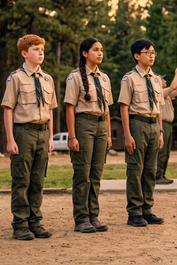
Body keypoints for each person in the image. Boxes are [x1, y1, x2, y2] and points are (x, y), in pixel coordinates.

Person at [2, 34, 57, 241]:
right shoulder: (16, 78)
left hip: (43, 132)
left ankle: (35, 221)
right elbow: (8, 110)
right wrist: (10, 139)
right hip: (23, 132)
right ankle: (20, 224)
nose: (40, 52)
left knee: (38, 180)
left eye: (42, 49)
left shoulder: (47, 79)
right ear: (24, 53)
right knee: (21, 180)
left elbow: (50, 110)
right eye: (35, 49)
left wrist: (51, 137)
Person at [64, 37, 113, 233]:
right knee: (82, 174)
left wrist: (108, 134)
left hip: (101, 126)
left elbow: (107, 109)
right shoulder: (74, 77)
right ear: (85, 53)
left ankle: (94, 216)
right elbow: (69, 108)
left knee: (96, 174)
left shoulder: (104, 78)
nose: (100, 53)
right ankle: (81, 218)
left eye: (101, 49)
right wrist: (72, 136)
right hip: (84, 124)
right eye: (95, 50)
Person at [118, 39, 165, 227]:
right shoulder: (129, 78)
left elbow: (159, 107)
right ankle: (134, 212)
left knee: (151, 170)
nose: (151, 55)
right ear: (137, 56)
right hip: (138, 124)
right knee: (135, 169)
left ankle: (147, 209)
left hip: (154, 125)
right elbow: (124, 107)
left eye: (153, 52)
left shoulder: (155, 79)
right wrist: (127, 135)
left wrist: (161, 131)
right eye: (147, 52)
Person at [156, 68, 177, 185]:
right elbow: (172, 88)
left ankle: (162, 174)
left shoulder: (165, 94)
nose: (165, 82)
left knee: (166, 151)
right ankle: (158, 175)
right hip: (163, 124)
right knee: (162, 151)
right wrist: (176, 74)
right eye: (163, 80)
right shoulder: (160, 92)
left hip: (168, 124)